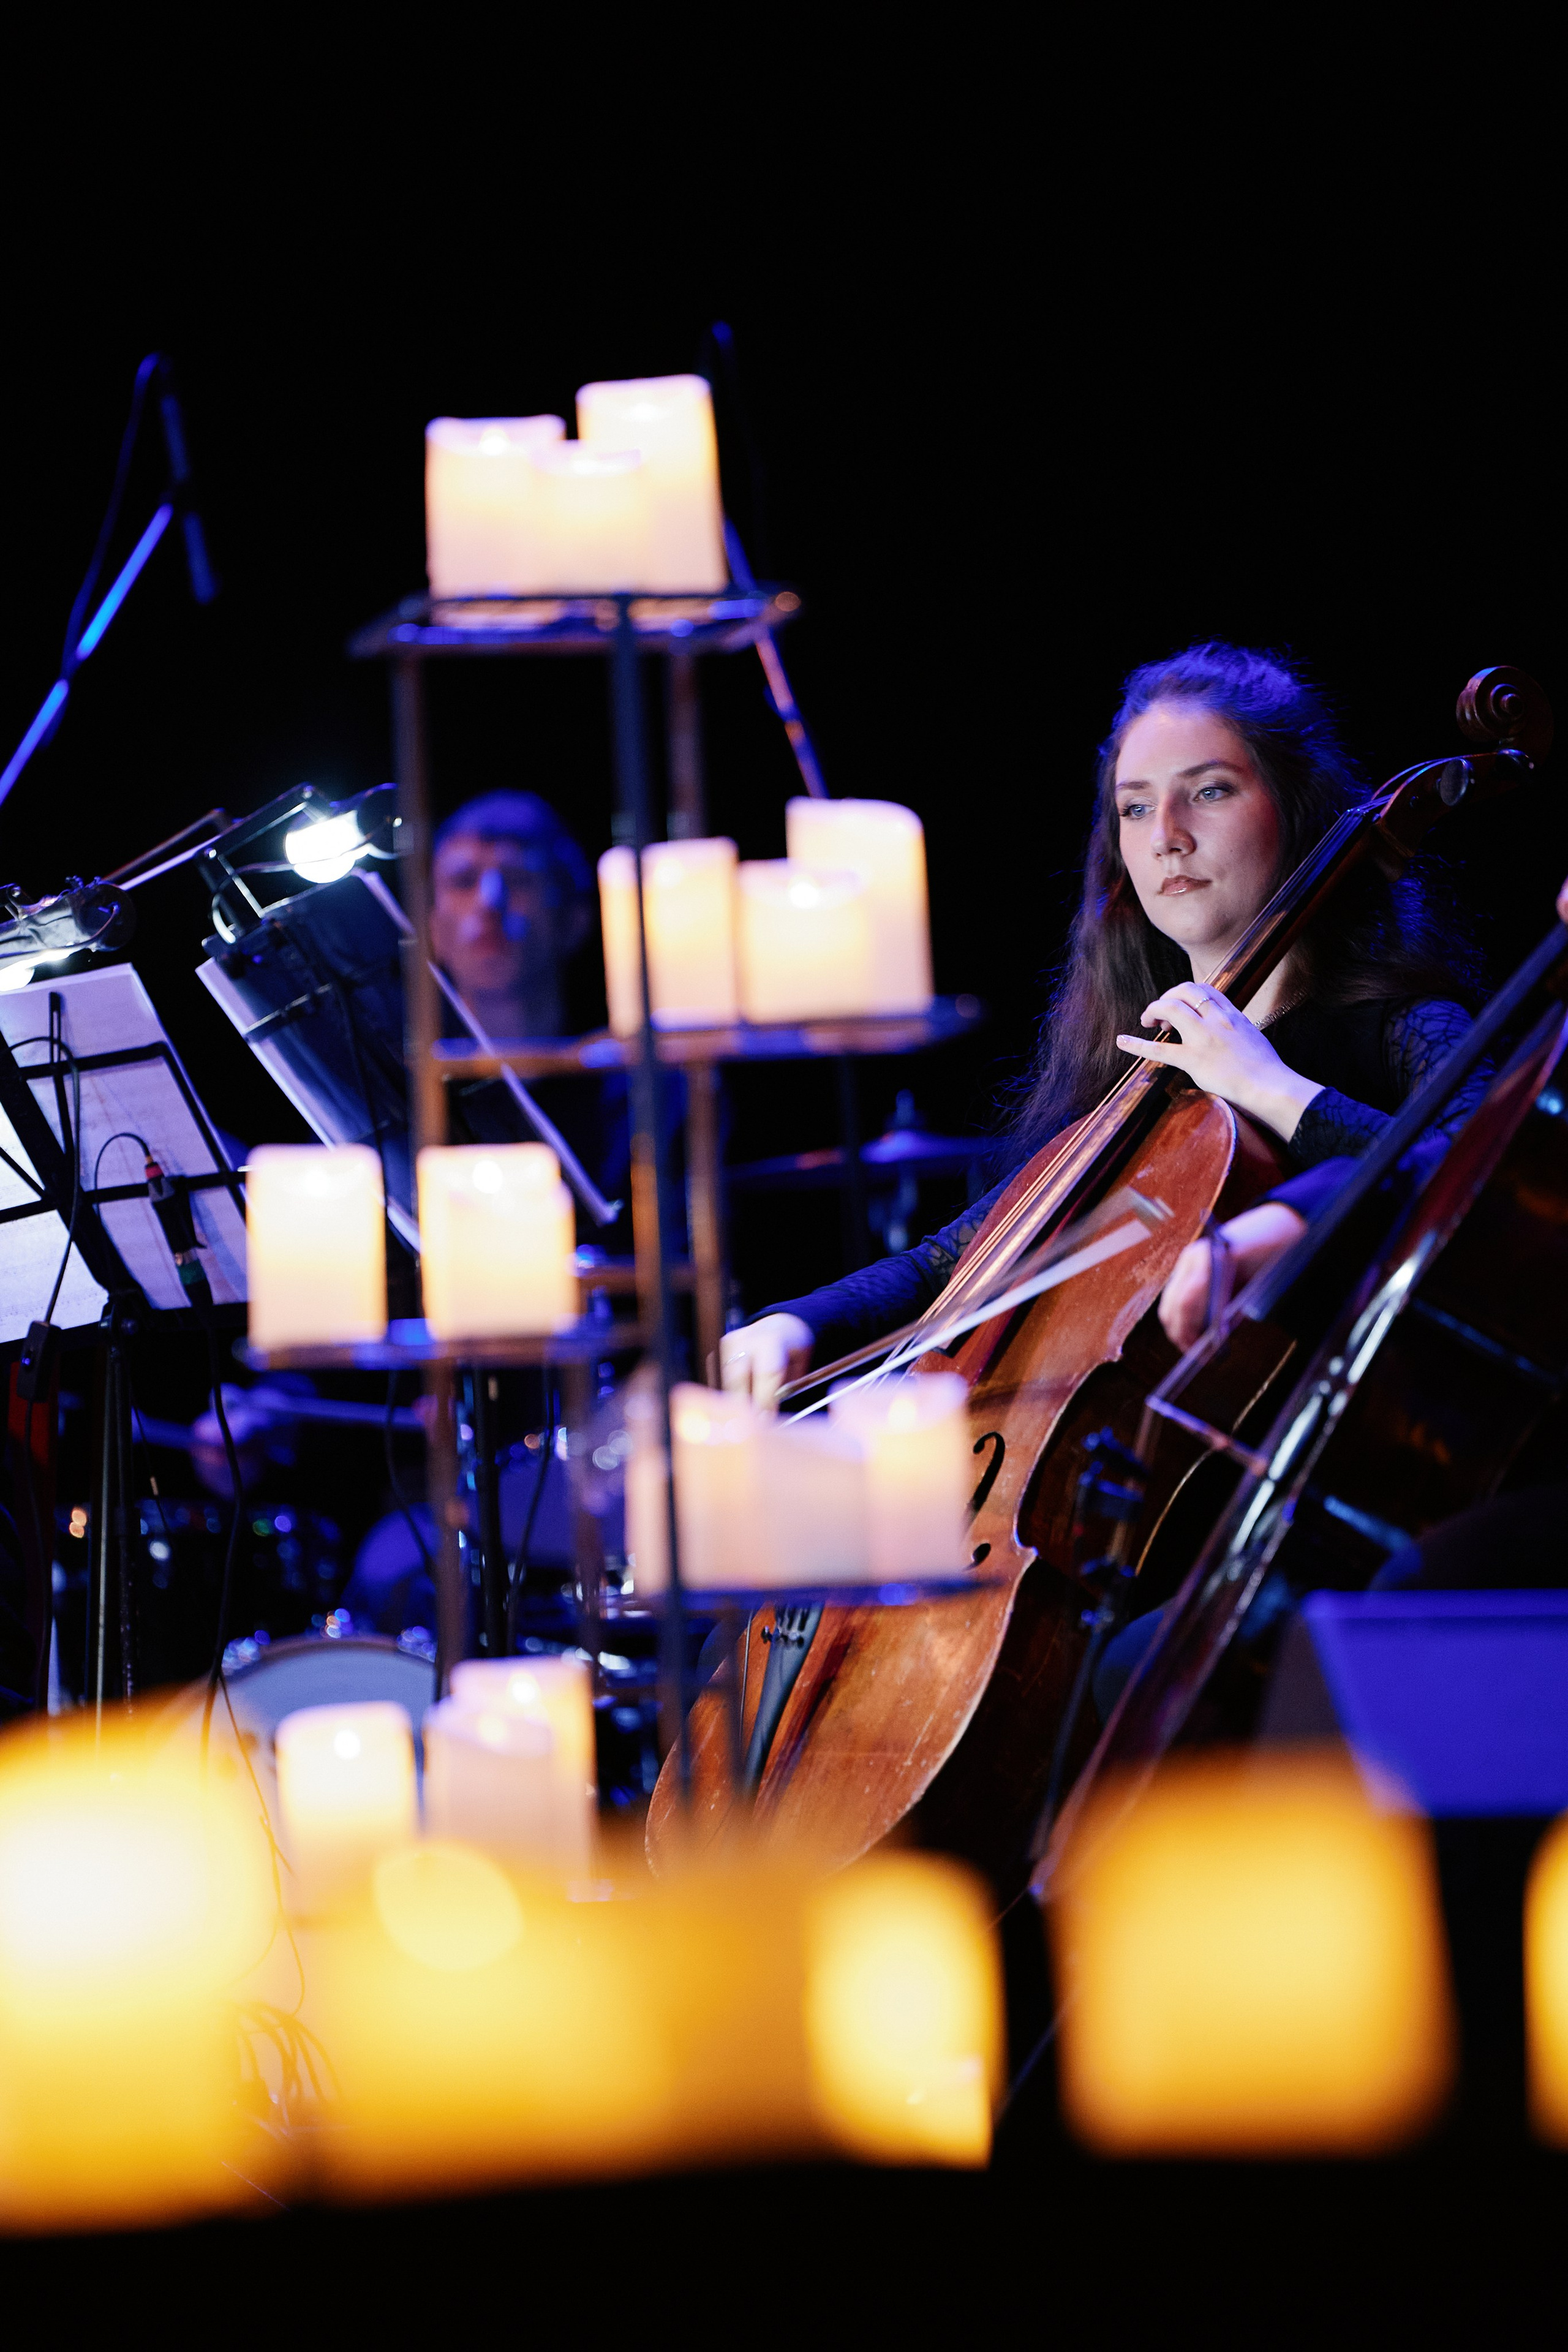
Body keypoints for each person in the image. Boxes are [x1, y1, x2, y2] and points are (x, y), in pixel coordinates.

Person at [722, 641, 1488, 1403]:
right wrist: (794, 1324)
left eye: (1210, 791)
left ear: (1293, 807)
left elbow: (1487, 1177)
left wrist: (1263, 1084)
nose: (1167, 836)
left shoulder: (1405, 1029)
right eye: (1136, 807)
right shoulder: (1139, 1079)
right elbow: (954, 1261)